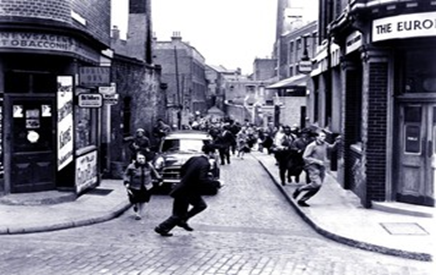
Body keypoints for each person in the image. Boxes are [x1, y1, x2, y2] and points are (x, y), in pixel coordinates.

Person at [154, 143, 220, 237]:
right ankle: (162, 227)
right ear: (210, 153)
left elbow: (182, 169)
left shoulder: (194, 158)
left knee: (199, 206)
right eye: (214, 152)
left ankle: (181, 221)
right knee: (181, 212)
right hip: (187, 191)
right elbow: (202, 179)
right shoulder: (205, 163)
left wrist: (186, 179)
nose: (215, 154)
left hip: (185, 188)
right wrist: (216, 184)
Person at [292, 130, 341, 207]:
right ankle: (300, 189)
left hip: (321, 167)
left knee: (318, 186)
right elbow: (305, 157)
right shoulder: (312, 145)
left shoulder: (325, 144)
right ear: (317, 137)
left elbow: (332, 148)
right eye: (321, 136)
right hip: (312, 167)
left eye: (324, 136)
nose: (323, 138)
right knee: (317, 184)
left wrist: (337, 142)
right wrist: (317, 161)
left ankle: (302, 200)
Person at [123, 152, 162, 220]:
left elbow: (154, 172)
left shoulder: (149, 166)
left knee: (144, 200)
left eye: (143, 158)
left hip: (146, 186)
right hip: (135, 186)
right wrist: (126, 182)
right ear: (136, 159)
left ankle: (139, 213)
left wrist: (159, 179)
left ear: (145, 159)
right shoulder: (131, 166)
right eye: (139, 158)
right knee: (135, 200)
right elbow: (126, 174)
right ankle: (136, 208)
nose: (141, 160)